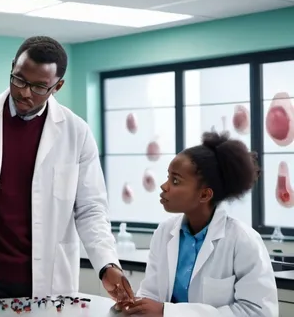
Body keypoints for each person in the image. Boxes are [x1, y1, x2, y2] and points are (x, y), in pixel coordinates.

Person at [0, 36, 134, 304]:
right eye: (19, 79)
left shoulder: (76, 132)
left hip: (46, 280)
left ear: (57, 86)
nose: (25, 92)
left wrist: (107, 264)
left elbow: (91, 209)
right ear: (13, 67)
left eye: (39, 87)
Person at [118, 131, 278, 317]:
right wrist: (136, 306)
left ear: (204, 195)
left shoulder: (243, 241)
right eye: (168, 177)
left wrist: (168, 313)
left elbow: (257, 312)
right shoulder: (164, 232)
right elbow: (151, 294)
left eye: (175, 181)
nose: (164, 186)